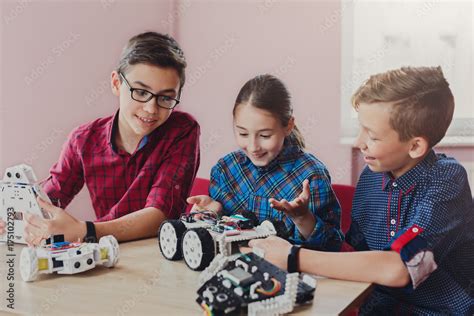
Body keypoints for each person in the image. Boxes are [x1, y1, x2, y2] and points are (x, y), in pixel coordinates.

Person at [249, 66, 474, 315]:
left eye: (372, 136)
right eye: (360, 129)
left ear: (415, 146)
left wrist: (293, 257)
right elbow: (350, 254)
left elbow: (401, 267)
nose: (358, 143)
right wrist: (305, 219)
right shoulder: (371, 177)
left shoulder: (446, 181)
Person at [0, 32, 200, 245]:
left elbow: (161, 214)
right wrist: (11, 214)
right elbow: (48, 200)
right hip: (107, 254)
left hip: (159, 254)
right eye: (141, 92)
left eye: (166, 98)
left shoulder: (182, 130)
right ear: (116, 83)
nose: (151, 109)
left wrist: (86, 231)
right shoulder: (83, 140)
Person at [187, 74, 343, 250]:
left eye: (265, 135)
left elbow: (332, 247)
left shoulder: (311, 176)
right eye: (243, 134)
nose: (253, 147)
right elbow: (220, 235)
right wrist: (211, 213)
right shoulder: (225, 169)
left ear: (288, 126)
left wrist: (303, 218)